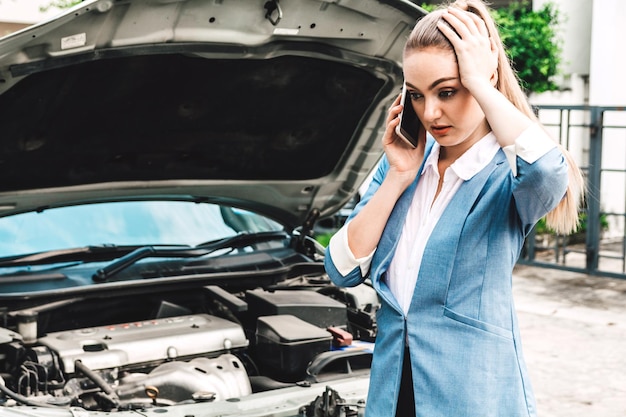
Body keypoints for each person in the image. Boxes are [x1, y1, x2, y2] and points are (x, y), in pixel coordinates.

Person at [323, 1, 585, 416]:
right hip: (393, 391)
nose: (430, 113)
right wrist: (397, 177)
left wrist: (482, 84)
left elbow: (548, 171)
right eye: (416, 95)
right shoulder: (405, 164)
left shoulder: (507, 174)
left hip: (472, 394)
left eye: (448, 91)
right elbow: (341, 267)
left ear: (486, 79)